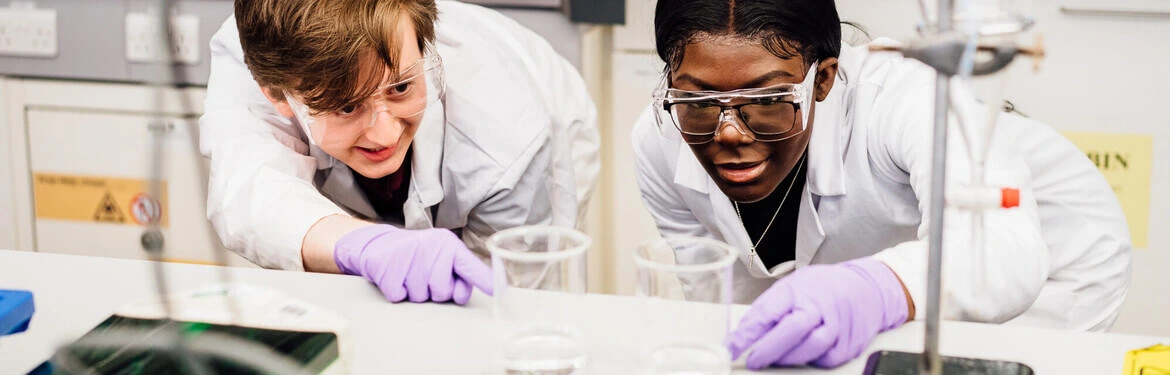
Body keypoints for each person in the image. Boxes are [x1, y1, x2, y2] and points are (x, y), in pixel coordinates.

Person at [633, 0, 1131, 369]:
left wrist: (876, 287)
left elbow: (998, 248)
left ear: (823, 79)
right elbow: (722, 294)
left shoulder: (902, 98)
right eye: (698, 101)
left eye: (768, 99)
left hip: (1057, 256)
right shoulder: (659, 140)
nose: (730, 133)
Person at [200, 0, 599, 305]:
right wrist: (359, 244)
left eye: (401, 88)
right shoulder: (262, 54)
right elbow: (248, 186)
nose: (384, 134)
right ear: (277, 94)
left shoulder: (511, 134)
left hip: (536, 133)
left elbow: (501, 300)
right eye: (346, 106)